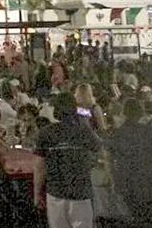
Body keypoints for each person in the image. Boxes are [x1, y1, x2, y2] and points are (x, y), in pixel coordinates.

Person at [33, 92, 102, 228]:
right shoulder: (84, 131)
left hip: (56, 192)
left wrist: (37, 193)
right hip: (80, 192)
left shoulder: (45, 133)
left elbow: (39, 167)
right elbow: (99, 152)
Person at [108, 98, 152, 226]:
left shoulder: (116, 134)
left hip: (125, 185)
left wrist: (113, 181)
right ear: (141, 113)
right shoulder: (149, 132)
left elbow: (108, 158)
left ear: (124, 113)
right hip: (147, 185)